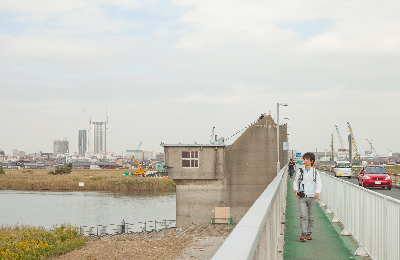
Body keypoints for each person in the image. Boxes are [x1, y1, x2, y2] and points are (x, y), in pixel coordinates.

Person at [293, 152, 322, 241]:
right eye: (304, 159)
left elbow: (318, 183)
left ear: (312, 161)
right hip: (302, 196)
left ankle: (309, 233)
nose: (305, 161)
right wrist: (296, 190)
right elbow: (296, 181)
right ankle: (303, 233)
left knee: (311, 216)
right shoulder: (300, 171)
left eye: (307, 159)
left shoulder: (315, 172)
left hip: (312, 196)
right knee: (302, 215)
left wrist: (317, 192)